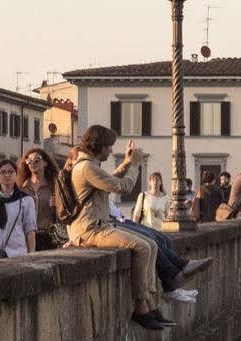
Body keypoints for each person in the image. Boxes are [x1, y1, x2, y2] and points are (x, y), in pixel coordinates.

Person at [65, 126, 171, 330]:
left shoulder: (87, 165)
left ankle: (149, 302)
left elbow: (107, 180)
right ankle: (141, 306)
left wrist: (126, 163)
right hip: (90, 230)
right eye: (109, 147)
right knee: (143, 247)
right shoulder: (87, 167)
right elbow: (123, 187)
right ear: (99, 146)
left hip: (97, 226)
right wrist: (135, 165)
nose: (111, 151)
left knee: (151, 244)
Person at [0, 159, 37, 258]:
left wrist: (32, 255)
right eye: (3, 172)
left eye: (10, 172)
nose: (7, 175)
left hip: (17, 254)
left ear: (16, 174)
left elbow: (30, 230)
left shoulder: (26, 200)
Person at [19, 147, 63, 250]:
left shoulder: (54, 186)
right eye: (29, 161)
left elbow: (63, 215)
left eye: (36, 160)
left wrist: (58, 205)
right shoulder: (22, 188)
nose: (32, 163)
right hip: (26, 236)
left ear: (45, 163)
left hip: (47, 236)